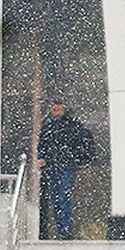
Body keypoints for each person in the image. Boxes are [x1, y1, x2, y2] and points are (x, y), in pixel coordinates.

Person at [36, 102, 94, 239]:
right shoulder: (49, 125)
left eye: (59, 109)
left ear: (64, 110)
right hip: (53, 166)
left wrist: (74, 157)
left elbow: (82, 142)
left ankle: (66, 230)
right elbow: (42, 143)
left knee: (63, 197)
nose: (56, 112)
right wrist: (42, 157)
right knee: (56, 199)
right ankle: (62, 230)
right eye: (54, 110)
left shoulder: (72, 124)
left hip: (67, 166)